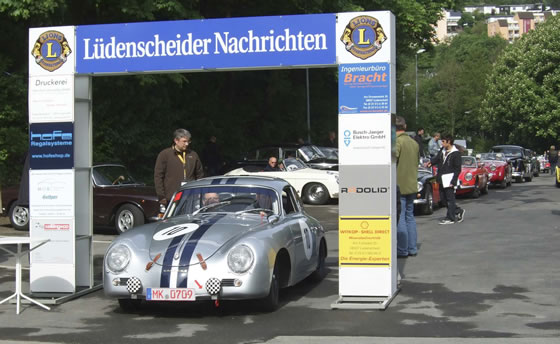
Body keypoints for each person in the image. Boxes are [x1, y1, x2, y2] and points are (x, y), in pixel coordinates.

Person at [154, 129, 204, 207]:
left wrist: (200, 192)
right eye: (184, 141)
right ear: (176, 141)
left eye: (188, 141)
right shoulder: (165, 154)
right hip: (172, 197)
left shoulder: (193, 155)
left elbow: (200, 174)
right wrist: (161, 196)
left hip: (190, 195)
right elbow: (158, 176)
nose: (187, 144)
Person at [427, 133, 464, 225]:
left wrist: (453, 181)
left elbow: (457, 169)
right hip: (441, 178)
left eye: (443, 141)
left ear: (449, 142)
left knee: (450, 199)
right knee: (443, 199)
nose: (442, 143)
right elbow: (437, 159)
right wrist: (431, 162)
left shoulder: (455, 154)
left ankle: (450, 218)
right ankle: (458, 211)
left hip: (449, 179)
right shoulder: (442, 150)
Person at [395, 116, 419, 258]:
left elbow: (392, 162)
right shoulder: (414, 143)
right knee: (410, 216)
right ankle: (412, 248)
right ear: (405, 126)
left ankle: (402, 249)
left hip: (400, 186)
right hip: (412, 184)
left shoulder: (396, 143)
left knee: (400, 217)